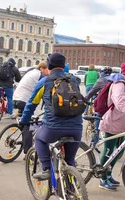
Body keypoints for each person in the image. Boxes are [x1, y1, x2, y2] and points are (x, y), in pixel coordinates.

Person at [20, 53, 82, 181]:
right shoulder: (73, 80)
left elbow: (31, 105)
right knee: (70, 161)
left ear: (48, 65)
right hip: (76, 128)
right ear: (63, 66)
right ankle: (73, 193)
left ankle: (46, 169)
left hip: (52, 128)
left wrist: (24, 120)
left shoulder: (44, 82)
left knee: (39, 139)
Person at [98, 62, 125, 190]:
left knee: (119, 150)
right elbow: (119, 101)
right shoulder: (119, 84)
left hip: (119, 121)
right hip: (112, 121)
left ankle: (108, 173)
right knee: (109, 150)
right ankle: (102, 178)